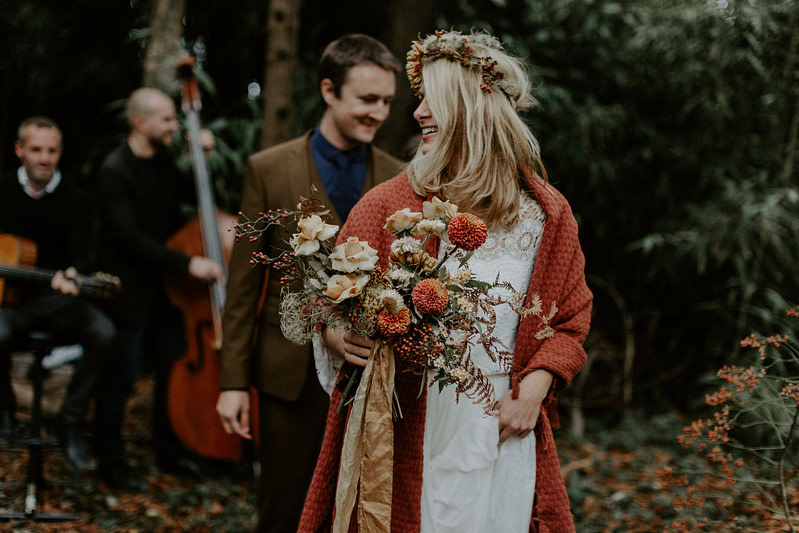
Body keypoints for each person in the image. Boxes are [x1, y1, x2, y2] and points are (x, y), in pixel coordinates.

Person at [298, 30, 593, 532]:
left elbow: (570, 320)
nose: (416, 113)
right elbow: (322, 302)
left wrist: (535, 391)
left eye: (431, 98)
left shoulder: (546, 214)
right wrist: (335, 332)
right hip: (406, 426)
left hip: (503, 427)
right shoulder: (387, 203)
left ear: (473, 106)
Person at [216, 34, 403, 533]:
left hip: (368, 374)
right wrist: (232, 382)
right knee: (284, 509)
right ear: (328, 90)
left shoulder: (398, 177)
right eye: (367, 99)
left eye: (386, 101)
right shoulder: (269, 168)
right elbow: (242, 288)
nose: (378, 113)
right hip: (288, 376)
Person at [93, 88, 224, 490]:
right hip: (129, 290)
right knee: (122, 376)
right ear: (141, 122)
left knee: (171, 369)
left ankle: (170, 450)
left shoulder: (162, 160)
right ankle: (110, 464)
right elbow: (130, 237)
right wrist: (189, 263)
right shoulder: (114, 171)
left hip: (169, 290)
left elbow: (191, 196)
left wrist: (202, 160)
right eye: (168, 120)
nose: (174, 126)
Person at [0, 116, 116, 471]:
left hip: (56, 299)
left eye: (51, 151)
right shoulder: (2, 189)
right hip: (9, 302)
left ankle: (70, 420)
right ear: (20, 150)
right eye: (36, 149)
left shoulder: (77, 200)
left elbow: (81, 258)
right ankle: (3, 409)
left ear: (60, 153)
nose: (44, 158)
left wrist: (74, 277)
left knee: (103, 333)